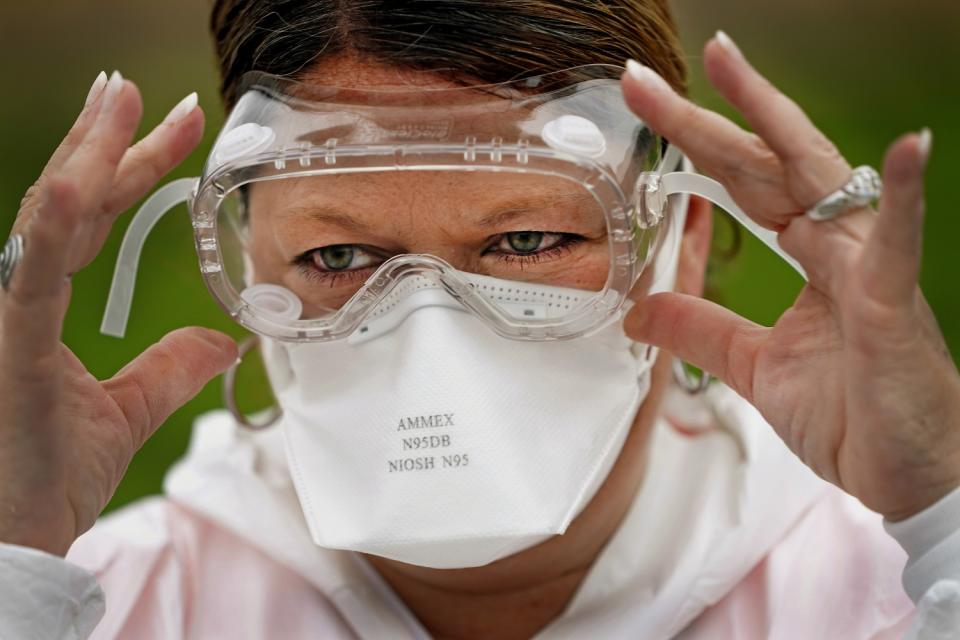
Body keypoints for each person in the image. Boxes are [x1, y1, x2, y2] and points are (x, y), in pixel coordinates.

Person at [0, 1, 958, 638]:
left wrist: (943, 503)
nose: (430, 328)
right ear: (256, 263)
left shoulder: (880, 595)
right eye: (339, 257)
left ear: (680, 235)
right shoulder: (114, 606)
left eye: (527, 242)